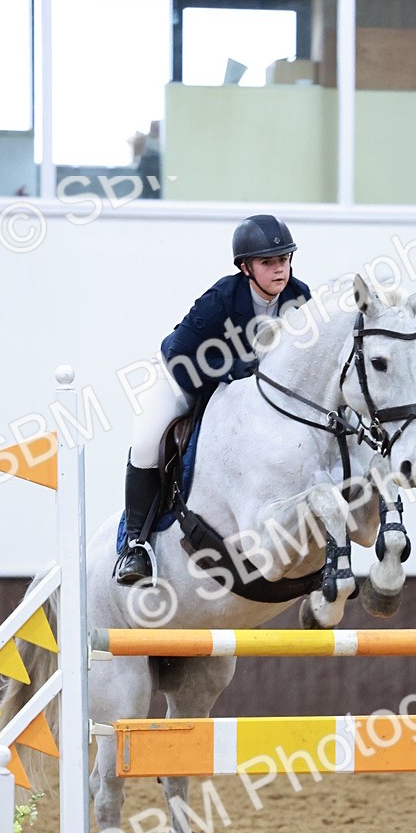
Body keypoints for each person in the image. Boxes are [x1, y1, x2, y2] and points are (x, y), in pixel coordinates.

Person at [115, 214, 311, 584]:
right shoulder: (221, 298)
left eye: (284, 260)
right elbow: (178, 353)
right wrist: (231, 372)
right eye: (268, 262)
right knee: (145, 443)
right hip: (184, 380)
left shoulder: (300, 299)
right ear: (245, 267)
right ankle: (135, 546)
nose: (279, 270)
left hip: (252, 399)